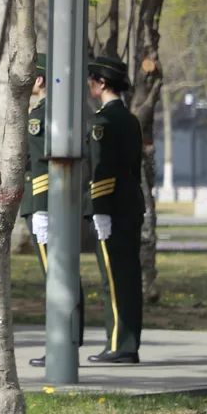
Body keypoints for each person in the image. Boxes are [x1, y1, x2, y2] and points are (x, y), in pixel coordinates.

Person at [22, 54, 85, 368]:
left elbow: (44, 166)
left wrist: (42, 208)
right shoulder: (49, 113)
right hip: (45, 202)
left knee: (57, 277)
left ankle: (62, 343)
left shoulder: (43, 116)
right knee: (61, 275)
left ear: (40, 80)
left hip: (45, 204)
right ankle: (67, 340)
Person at [85, 55, 143, 364]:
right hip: (130, 205)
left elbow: (102, 169)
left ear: (102, 82)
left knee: (115, 280)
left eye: (92, 79)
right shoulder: (130, 119)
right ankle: (128, 342)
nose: (89, 85)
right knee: (129, 277)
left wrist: (100, 208)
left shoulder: (103, 122)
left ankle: (119, 344)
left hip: (112, 208)